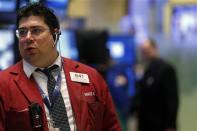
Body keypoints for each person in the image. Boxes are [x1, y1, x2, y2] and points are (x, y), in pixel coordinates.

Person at [0, 3, 122, 131]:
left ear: (55, 34)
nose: (28, 38)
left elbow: (110, 126)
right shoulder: (3, 83)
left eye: (36, 30)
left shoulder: (90, 76)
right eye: (22, 32)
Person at [134, 38, 179, 131]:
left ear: (155, 48)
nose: (145, 52)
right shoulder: (147, 70)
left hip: (160, 124)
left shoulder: (166, 69)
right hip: (146, 124)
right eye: (143, 50)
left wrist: (171, 125)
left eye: (148, 49)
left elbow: (172, 100)